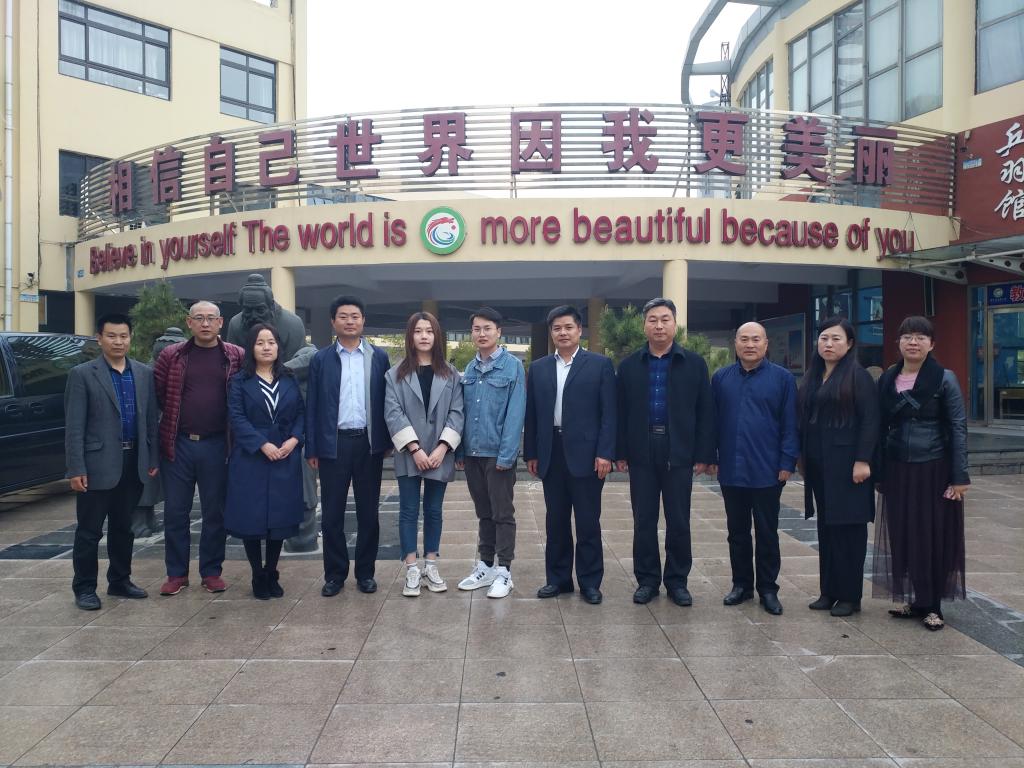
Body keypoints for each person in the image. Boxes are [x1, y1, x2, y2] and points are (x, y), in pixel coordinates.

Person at [615, 298, 715, 606]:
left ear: (674, 323)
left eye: (665, 319)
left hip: (679, 450)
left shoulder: (694, 363)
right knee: (644, 520)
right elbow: (620, 412)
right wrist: (620, 451)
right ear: (644, 325)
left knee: (679, 520)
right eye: (653, 320)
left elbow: (705, 412)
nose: (659, 326)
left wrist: (704, 454)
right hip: (642, 450)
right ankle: (647, 581)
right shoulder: (629, 365)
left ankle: (677, 582)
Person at [873, 316, 969, 631]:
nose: (913, 342)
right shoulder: (888, 378)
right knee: (904, 534)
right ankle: (917, 600)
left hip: (934, 467)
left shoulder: (945, 378)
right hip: (898, 467)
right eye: (907, 336)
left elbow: (958, 427)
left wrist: (960, 476)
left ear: (931, 344)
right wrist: (878, 468)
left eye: (921, 337)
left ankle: (933, 605)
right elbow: (878, 426)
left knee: (932, 535)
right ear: (898, 342)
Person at [64, 313, 159, 610]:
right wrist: (76, 467)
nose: (118, 342)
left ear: (130, 338)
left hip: (133, 461)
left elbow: (151, 421)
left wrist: (152, 457)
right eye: (112, 336)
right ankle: (84, 588)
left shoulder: (143, 373)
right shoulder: (82, 374)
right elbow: (74, 426)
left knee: (123, 528)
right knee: (89, 530)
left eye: (123, 336)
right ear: (100, 338)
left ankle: (120, 580)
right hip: (97, 465)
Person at [525, 305, 616, 605]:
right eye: (557, 328)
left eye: (568, 327)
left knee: (588, 521)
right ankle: (558, 579)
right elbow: (532, 414)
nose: (562, 333)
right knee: (556, 521)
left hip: (588, 455)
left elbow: (609, 414)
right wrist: (531, 453)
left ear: (579, 330)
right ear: (551, 333)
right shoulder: (539, 368)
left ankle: (590, 582)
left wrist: (605, 453)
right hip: (551, 451)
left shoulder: (599, 365)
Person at [154, 301, 244, 596]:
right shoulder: (172, 355)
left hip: (218, 444)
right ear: (189, 322)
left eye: (210, 318)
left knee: (215, 513)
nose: (205, 323)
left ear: (221, 322)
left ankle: (211, 571)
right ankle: (176, 573)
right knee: (175, 512)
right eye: (199, 318)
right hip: (178, 444)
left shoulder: (235, 356)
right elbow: (160, 395)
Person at [710, 321, 799, 616]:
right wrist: (710, 457)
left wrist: (787, 462)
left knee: (767, 532)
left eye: (756, 339)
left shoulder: (783, 379)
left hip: (767, 470)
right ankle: (741, 585)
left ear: (766, 344)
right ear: (735, 344)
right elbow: (712, 422)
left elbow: (790, 424)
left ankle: (768, 589)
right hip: (732, 469)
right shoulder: (721, 378)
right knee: (736, 532)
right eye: (744, 339)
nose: (750, 345)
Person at [306, 295, 390, 596]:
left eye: (355, 316)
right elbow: (312, 404)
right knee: (332, 515)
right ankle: (335, 574)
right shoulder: (321, 359)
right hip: (334, 444)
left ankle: (366, 573)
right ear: (333, 322)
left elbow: (387, 401)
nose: (350, 321)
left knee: (369, 513)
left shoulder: (378, 357)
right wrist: (312, 447)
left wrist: (386, 441)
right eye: (343, 316)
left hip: (368, 443)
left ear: (363, 320)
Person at [799, 316, 880, 617]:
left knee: (849, 531)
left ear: (849, 344)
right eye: (824, 338)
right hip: (820, 465)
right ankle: (828, 591)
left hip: (849, 467)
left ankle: (850, 596)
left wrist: (863, 460)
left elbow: (870, 421)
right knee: (827, 528)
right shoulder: (814, 375)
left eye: (835, 339)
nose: (828, 344)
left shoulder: (858, 377)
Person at [384, 312, 464, 597]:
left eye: (429, 331)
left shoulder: (451, 374)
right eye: (418, 331)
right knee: (408, 510)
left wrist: (443, 447)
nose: (424, 336)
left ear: (437, 335)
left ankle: (431, 564)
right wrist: (415, 449)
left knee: (433, 510)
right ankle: (411, 568)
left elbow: (457, 412)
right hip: (410, 453)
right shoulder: (394, 374)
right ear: (410, 336)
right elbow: (392, 413)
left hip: (440, 452)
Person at [225, 324, 305, 600]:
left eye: (271, 342)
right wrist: (261, 444)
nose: (267, 347)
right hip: (251, 457)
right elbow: (236, 417)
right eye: (260, 343)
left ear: (278, 347)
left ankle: (271, 570)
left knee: (278, 518)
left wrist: (294, 440)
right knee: (252, 517)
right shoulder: (240, 381)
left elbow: (301, 413)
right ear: (251, 347)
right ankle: (257, 573)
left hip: (284, 454)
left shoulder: (288, 378)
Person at [455, 307, 527, 599]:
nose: (482, 334)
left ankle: (504, 571)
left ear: (499, 332)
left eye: (487, 328)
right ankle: (485, 565)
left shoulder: (513, 367)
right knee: (483, 512)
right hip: (472, 453)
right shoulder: (470, 368)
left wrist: (507, 455)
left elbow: (516, 413)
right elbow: (461, 412)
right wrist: (460, 451)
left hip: (498, 455)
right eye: (476, 329)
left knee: (502, 513)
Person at [132, 325, 186, 538]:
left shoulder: (173, 372)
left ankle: (149, 518)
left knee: (155, 482)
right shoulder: (147, 373)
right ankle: (138, 521)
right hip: (146, 435)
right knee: (145, 480)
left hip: (164, 434)